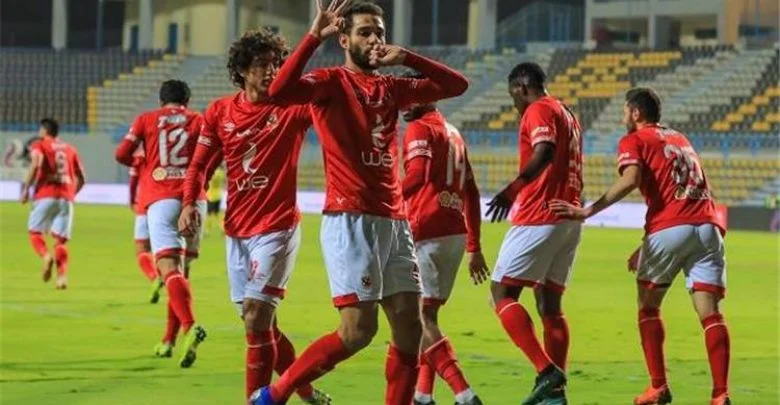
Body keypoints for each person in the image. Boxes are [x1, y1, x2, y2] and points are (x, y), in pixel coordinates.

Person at [249, 1, 469, 404]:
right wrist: (313, 36)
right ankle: (275, 394)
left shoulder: (394, 87)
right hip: (351, 219)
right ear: (345, 40)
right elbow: (278, 92)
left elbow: (458, 86)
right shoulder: (330, 82)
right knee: (357, 331)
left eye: (379, 31)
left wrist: (407, 57)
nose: (375, 39)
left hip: (395, 221)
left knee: (410, 329)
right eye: (365, 32)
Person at [550, 87, 731, 405]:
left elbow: (631, 179)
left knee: (648, 307)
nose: (623, 117)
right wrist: (646, 244)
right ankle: (720, 394)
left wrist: (588, 211)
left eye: (624, 111)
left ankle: (658, 387)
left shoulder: (634, 140)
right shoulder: (680, 138)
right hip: (708, 225)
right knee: (711, 315)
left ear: (635, 113)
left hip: (670, 228)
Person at [178, 29, 330, 404]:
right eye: (263, 64)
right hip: (237, 232)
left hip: (278, 227)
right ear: (243, 70)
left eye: (277, 64)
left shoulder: (293, 108)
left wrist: (315, 39)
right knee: (264, 326)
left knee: (256, 316)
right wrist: (189, 203)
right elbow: (199, 166)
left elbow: (328, 102)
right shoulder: (219, 112)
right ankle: (305, 392)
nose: (272, 71)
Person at [485, 62, 583, 405]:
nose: (513, 102)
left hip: (540, 214)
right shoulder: (566, 112)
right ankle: (555, 396)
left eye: (512, 94)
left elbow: (545, 152)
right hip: (569, 216)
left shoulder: (538, 109)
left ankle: (547, 372)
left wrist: (512, 190)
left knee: (501, 293)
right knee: (549, 305)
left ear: (522, 87)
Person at [399, 73, 488, 405]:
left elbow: (417, 176)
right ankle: (423, 394)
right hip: (454, 231)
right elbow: (472, 192)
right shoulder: (454, 133)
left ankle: (464, 393)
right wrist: (474, 246)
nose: (403, 105)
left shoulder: (420, 128)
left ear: (428, 96)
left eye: (410, 96)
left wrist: (386, 197)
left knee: (416, 318)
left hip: (425, 229)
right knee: (429, 316)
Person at [114, 79, 207, 368]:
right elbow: (213, 153)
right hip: (195, 199)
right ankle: (168, 341)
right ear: (187, 101)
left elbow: (121, 154)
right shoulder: (198, 119)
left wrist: (145, 162)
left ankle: (190, 326)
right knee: (181, 274)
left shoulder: (147, 119)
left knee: (169, 270)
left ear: (161, 100)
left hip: (162, 196)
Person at [21, 118, 86, 290]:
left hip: (45, 194)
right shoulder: (70, 149)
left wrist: (26, 189)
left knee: (35, 233)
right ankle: (62, 278)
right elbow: (82, 178)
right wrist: (71, 195)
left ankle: (46, 256)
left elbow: (36, 164)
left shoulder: (40, 145)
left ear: (44, 131)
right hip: (66, 198)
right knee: (60, 242)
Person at [128, 148, 165, 303]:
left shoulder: (139, 156)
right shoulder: (164, 150)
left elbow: (133, 180)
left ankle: (154, 277)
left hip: (145, 203)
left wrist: (132, 200)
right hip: (165, 203)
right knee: (164, 251)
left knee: (142, 250)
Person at [205, 164, 225, 234]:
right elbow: (224, 182)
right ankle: (223, 228)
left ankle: (207, 229)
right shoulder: (221, 173)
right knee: (219, 214)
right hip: (218, 195)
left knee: (209, 214)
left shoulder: (211, 172)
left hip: (210, 196)